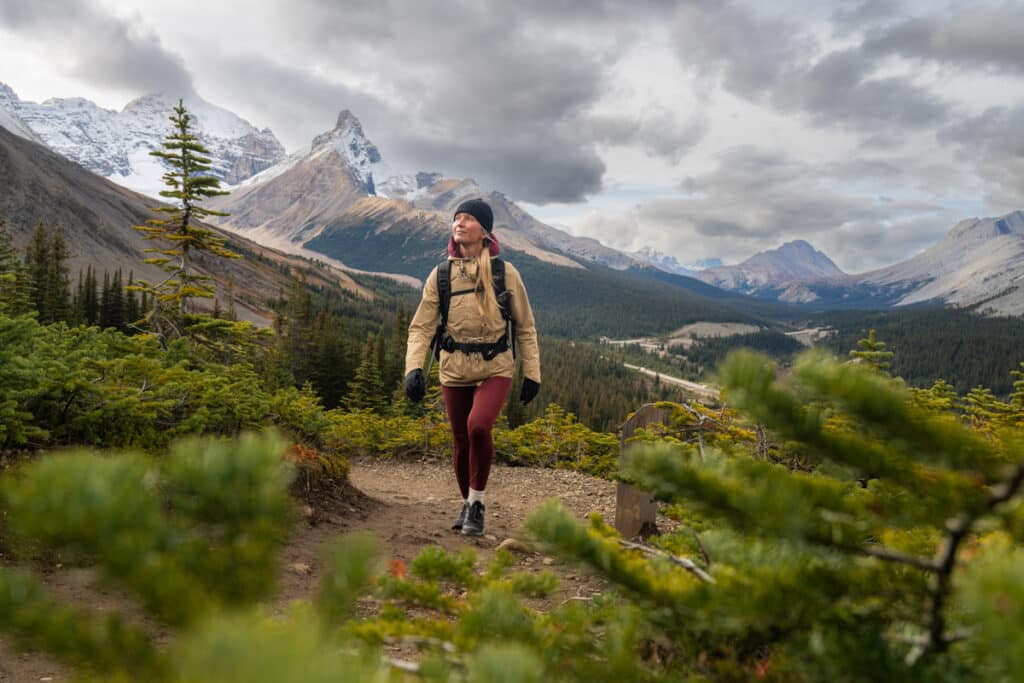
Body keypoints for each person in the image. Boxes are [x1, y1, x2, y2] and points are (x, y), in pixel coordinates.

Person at [404, 198, 541, 537]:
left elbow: (525, 326)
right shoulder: (441, 275)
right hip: (453, 368)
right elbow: (421, 327)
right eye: (456, 218)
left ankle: (477, 503)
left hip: (496, 366)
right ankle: (469, 503)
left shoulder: (504, 272)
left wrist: (532, 373)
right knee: (461, 441)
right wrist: (413, 369)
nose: (459, 223)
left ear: (484, 231)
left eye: (468, 219)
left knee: (479, 426)